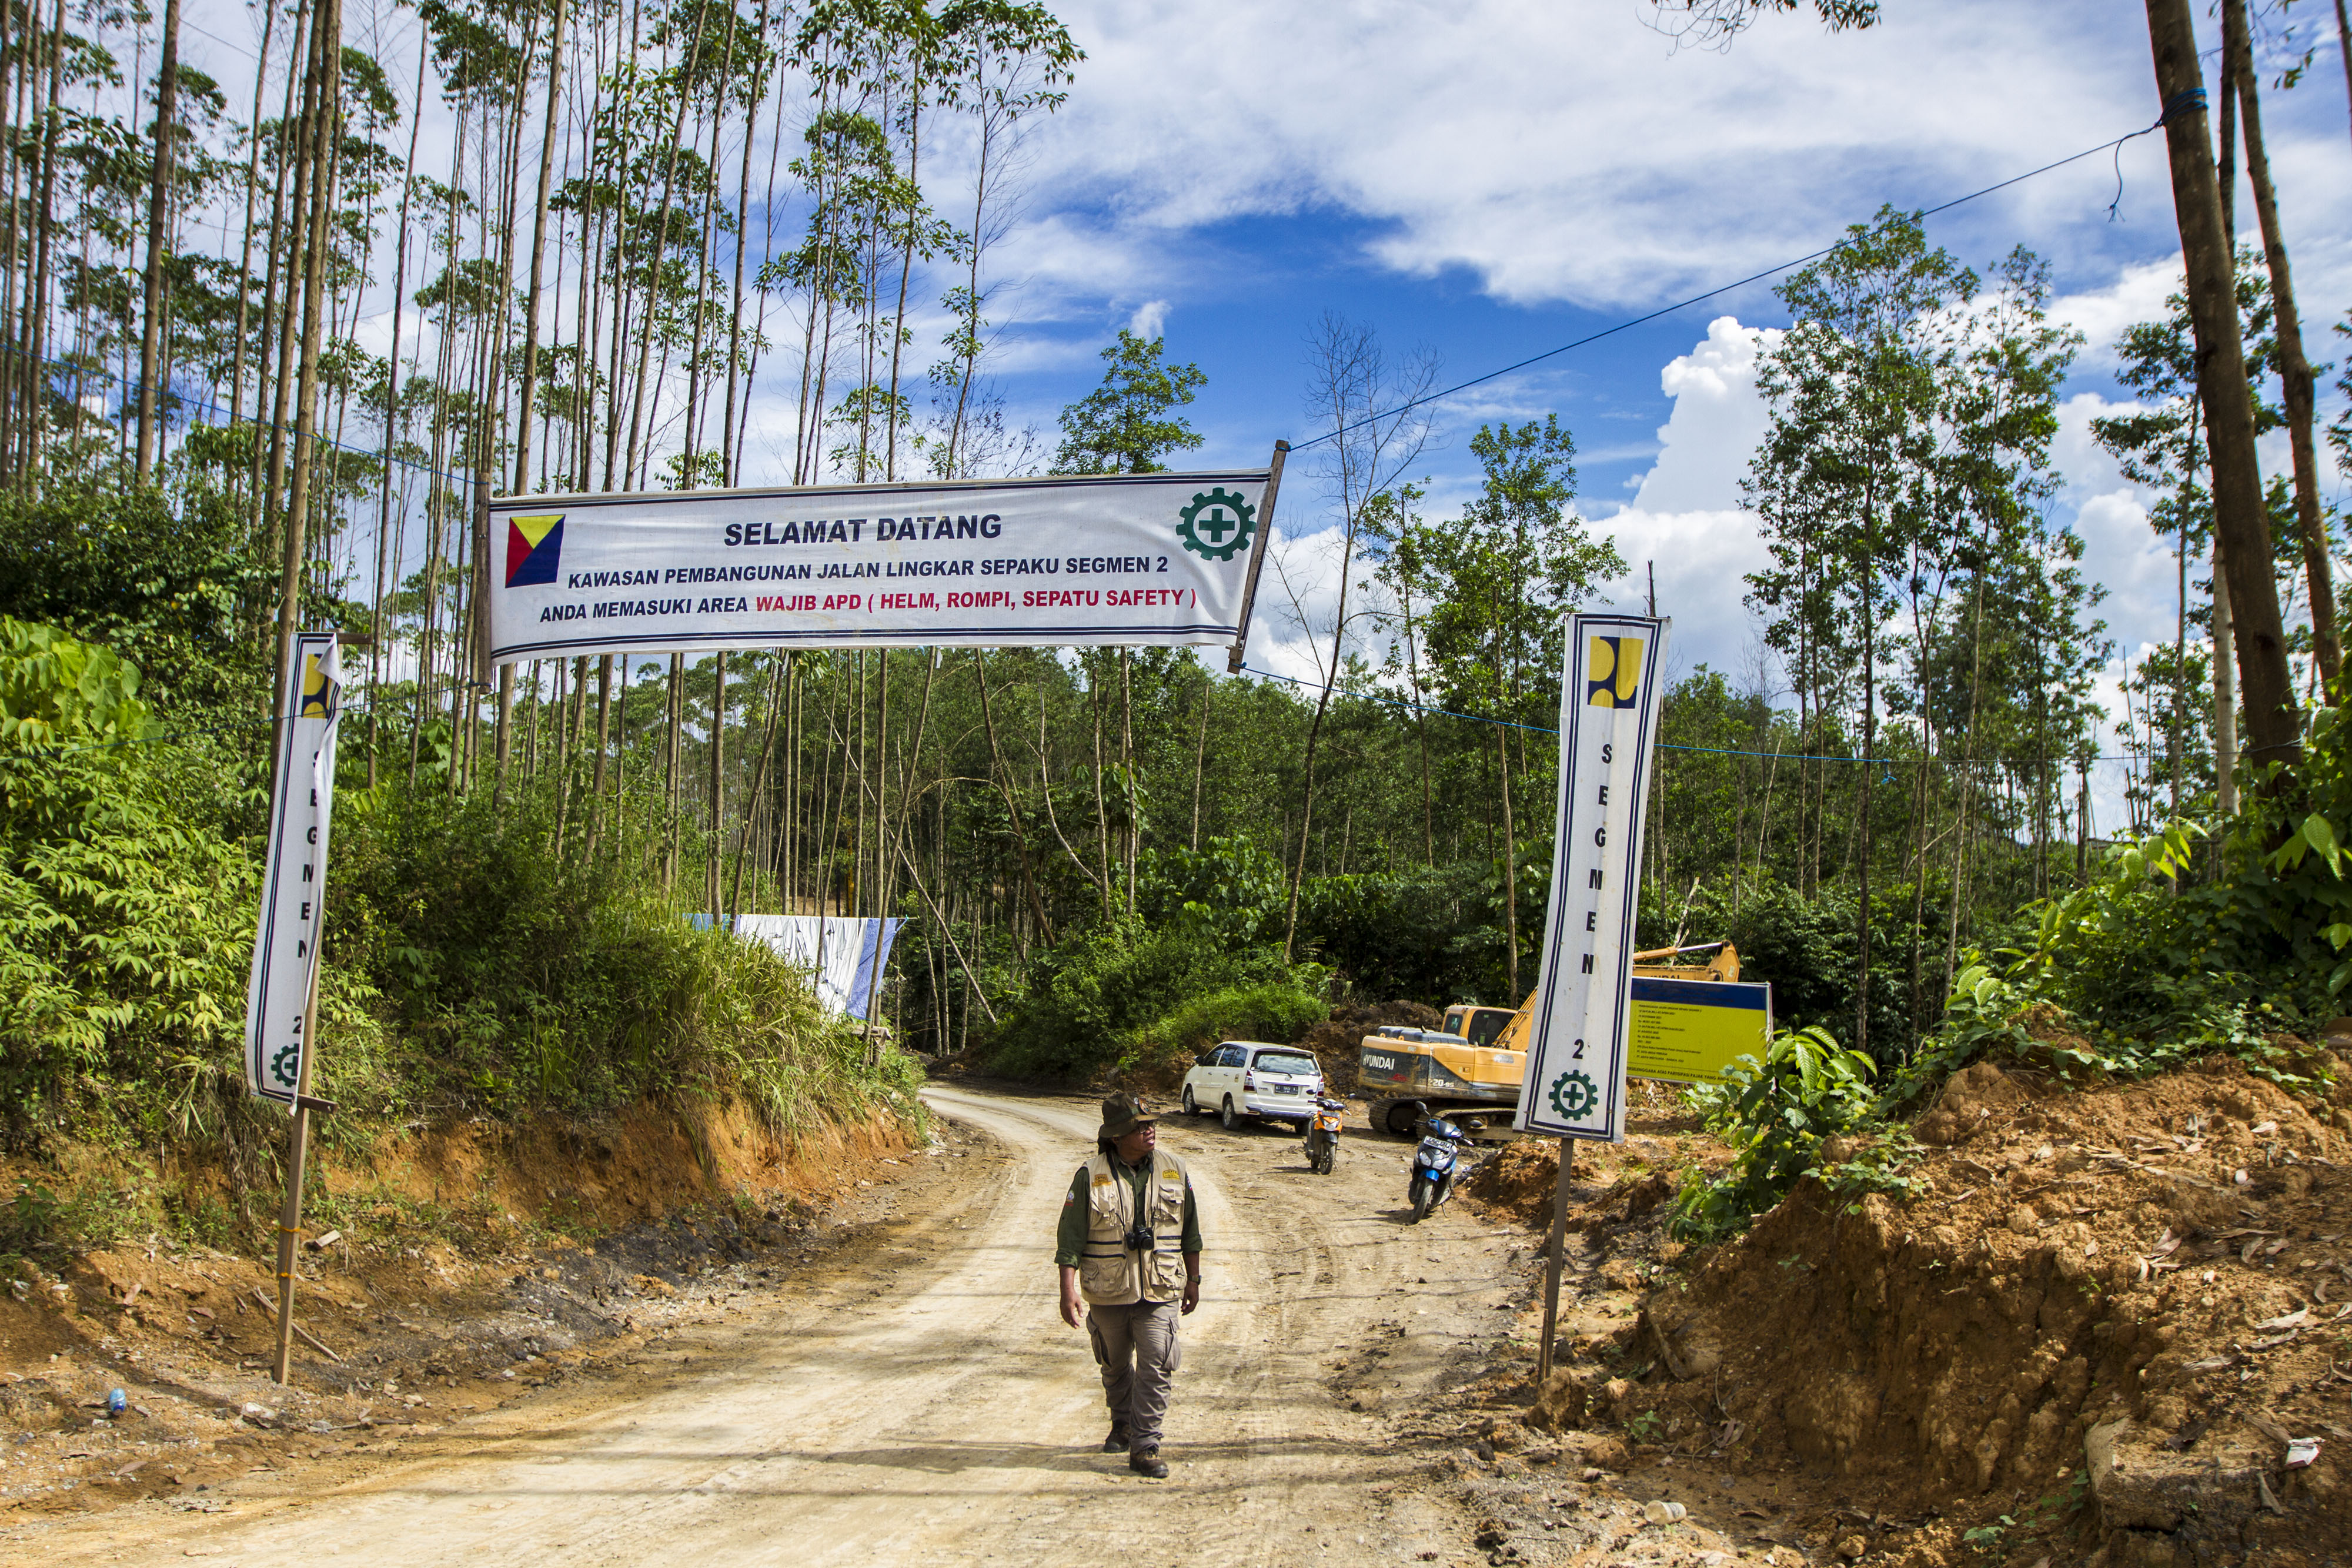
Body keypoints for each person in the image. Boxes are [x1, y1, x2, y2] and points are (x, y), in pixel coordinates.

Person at [1054, 1092, 1201, 1478]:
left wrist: (1194, 1278)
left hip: (1162, 1287)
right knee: (1115, 1362)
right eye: (1140, 1127)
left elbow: (1191, 1230)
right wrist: (1067, 1290)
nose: (1150, 1130)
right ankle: (1122, 1423)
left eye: (1151, 1124)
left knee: (1157, 1360)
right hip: (1109, 1289)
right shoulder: (1090, 1174)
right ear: (1118, 1136)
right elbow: (1069, 1238)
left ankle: (1145, 1444)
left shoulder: (1175, 1168)